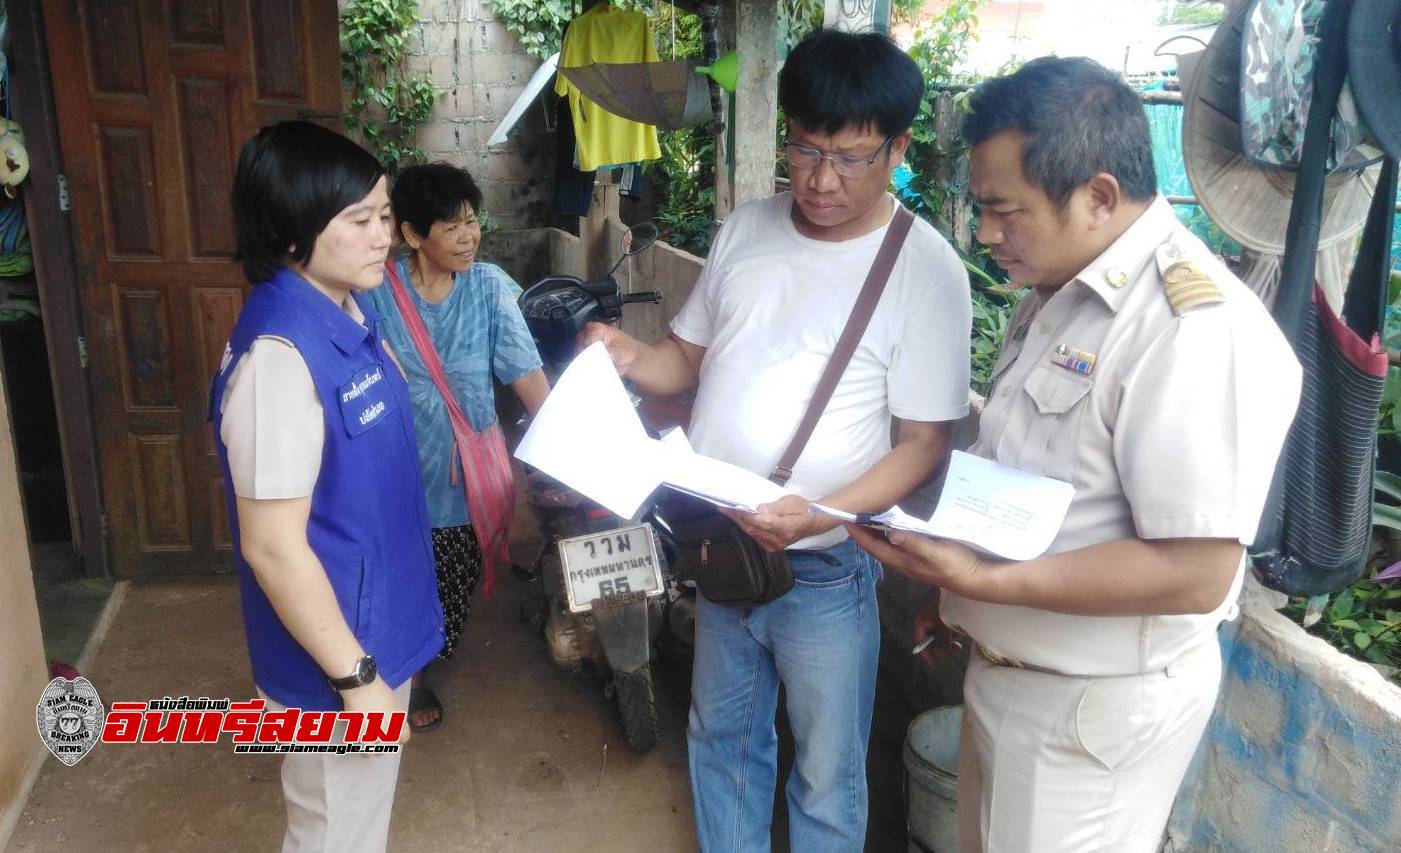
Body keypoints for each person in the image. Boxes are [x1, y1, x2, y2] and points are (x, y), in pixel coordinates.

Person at [848, 57, 1303, 852]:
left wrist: (988, 580)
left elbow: (1197, 571)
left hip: (1088, 714)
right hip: (1013, 675)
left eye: (1002, 212)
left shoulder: (1189, 327)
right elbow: (1042, 479)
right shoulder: (1060, 292)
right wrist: (963, 590)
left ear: (1096, 196)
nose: (985, 235)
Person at [582, 29, 972, 852]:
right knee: (722, 744)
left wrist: (818, 511)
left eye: (853, 157)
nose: (822, 180)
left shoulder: (924, 268)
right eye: (803, 149)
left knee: (827, 775)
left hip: (823, 567)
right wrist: (624, 355)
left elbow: (922, 444)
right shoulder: (746, 229)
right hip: (723, 545)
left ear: (899, 147)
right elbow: (683, 359)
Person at [213, 121, 445, 852]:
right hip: (337, 659)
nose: (384, 236)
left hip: (374, 625)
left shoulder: (348, 307)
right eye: (360, 221)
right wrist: (356, 677)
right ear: (292, 235)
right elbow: (274, 548)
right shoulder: (280, 358)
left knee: (357, 827)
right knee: (333, 834)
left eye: (384, 215)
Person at [363, 162, 549, 730]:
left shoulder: (490, 289)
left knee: (452, 581)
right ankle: (411, 678)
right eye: (451, 226)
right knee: (397, 578)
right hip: (394, 470)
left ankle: (426, 654)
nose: (469, 237)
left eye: (473, 222)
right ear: (413, 234)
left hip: (467, 477)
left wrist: (574, 440)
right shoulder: (376, 293)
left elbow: (528, 378)